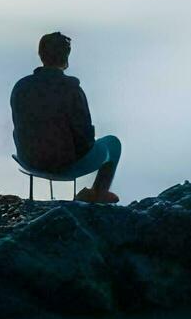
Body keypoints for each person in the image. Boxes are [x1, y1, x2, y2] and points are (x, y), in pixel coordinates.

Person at [10, 31, 122, 204]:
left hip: (29, 160)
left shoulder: (21, 87)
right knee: (112, 144)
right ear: (66, 56)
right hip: (64, 166)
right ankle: (98, 192)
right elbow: (83, 136)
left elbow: (18, 126)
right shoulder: (72, 89)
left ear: (41, 55)